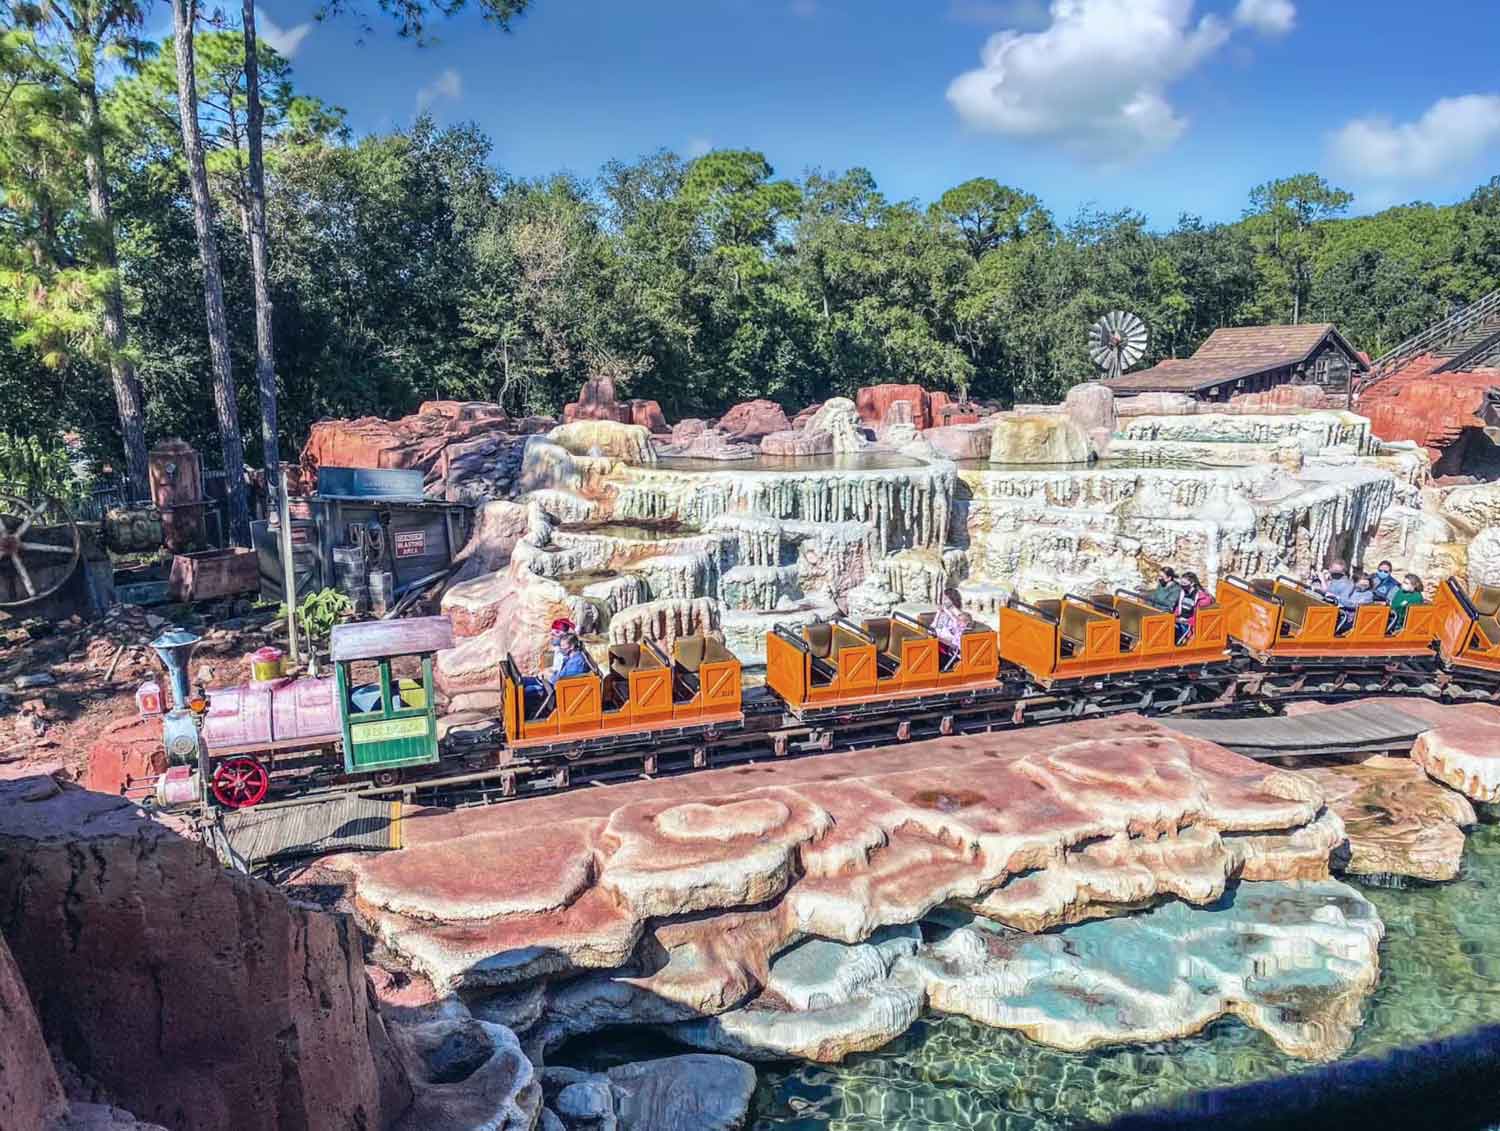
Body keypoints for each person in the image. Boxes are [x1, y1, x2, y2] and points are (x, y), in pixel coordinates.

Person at [1175, 572, 1212, 644]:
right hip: (1180, 621)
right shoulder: (1183, 593)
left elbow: (1199, 617)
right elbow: (1178, 608)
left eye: (1184, 583)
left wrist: (1187, 621)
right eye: (1181, 583)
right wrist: (1174, 617)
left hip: (1190, 625)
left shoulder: (1202, 598)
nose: (1182, 585)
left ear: (1192, 584)